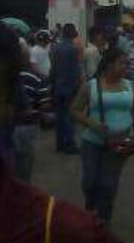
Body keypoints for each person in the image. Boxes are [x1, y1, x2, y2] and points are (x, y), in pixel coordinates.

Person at [1, 23, 125, 243]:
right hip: (71, 91)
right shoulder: (62, 226)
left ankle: (63, 143)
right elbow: (82, 72)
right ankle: (66, 144)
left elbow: (54, 70)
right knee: (66, 121)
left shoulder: (58, 49)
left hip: (59, 86)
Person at [71, 47, 134, 224]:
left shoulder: (130, 86)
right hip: (92, 142)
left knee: (108, 184)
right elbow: (75, 110)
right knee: (89, 181)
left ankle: (102, 221)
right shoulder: (91, 86)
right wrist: (92, 123)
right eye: (122, 63)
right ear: (108, 65)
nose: (126, 67)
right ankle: (91, 207)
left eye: (128, 63)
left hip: (120, 144)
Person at [12, 45, 50, 182]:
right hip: (28, 126)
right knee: (24, 166)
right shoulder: (35, 78)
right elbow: (45, 103)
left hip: (8, 125)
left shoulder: (6, 76)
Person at [49, 23, 82, 155]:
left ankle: (59, 143)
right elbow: (76, 71)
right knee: (69, 116)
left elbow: (53, 69)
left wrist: (51, 84)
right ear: (72, 32)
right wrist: (78, 86)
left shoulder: (54, 48)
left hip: (58, 86)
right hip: (70, 87)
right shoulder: (73, 49)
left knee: (60, 116)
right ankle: (69, 143)